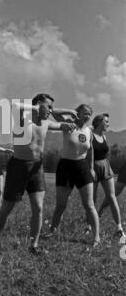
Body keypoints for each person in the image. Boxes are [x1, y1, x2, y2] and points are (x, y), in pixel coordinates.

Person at [0, 94, 76, 254]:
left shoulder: (46, 123)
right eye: (48, 106)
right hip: (18, 167)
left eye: (52, 107)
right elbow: (15, 106)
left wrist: (69, 113)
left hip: (37, 168)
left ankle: (34, 246)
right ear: (37, 105)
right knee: (7, 207)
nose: (50, 110)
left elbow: (65, 126)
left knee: (38, 208)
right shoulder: (23, 119)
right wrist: (38, 108)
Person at [49, 104, 100, 247]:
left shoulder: (90, 130)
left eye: (90, 114)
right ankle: (52, 231)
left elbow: (90, 150)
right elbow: (53, 111)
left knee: (89, 205)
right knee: (61, 205)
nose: (88, 116)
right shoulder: (68, 125)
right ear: (78, 113)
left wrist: (91, 168)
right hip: (65, 167)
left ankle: (96, 237)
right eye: (85, 113)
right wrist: (70, 111)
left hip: (82, 168)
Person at [83, 114, 125, 242]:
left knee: (112, 197)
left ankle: (119, 229)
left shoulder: (104, 136)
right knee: (92, 199)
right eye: (106, 121)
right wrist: (90, 169)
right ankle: (89, 226)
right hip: (92, 168)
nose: (108, 124)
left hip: (105, 167)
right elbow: (88, 153)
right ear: (99, 122)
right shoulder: (90, 134)